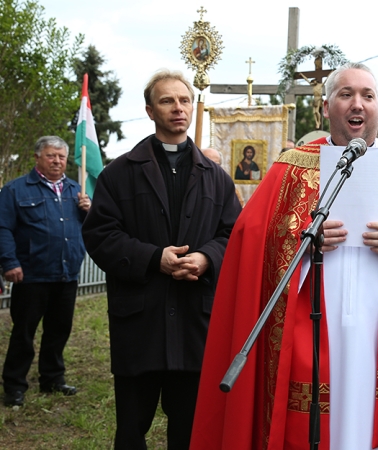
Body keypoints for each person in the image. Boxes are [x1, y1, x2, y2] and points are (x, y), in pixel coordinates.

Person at [191, 62, 378, 449]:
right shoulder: (291, 170)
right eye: (346, 94)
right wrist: (299, 241)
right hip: (311, 325)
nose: (357, 104)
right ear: (326, 107)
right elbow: (250, 240)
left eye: (368, 95)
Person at [82, 70, 241, 449]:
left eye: (184, 100)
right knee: (131, 430)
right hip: (141, 322)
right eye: (167, 101)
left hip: (193, 323)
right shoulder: (119, 173)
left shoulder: (216, 178)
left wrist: (205, 258)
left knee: (188, 430)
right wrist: (155, 258)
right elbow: (100, 233)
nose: (178, 108)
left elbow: (232, 234)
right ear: (150, 110)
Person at [0, 136, 91, 407]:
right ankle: (14, 386)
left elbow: (91, 228)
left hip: (67, 273)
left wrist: (89, 211)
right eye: (51, 156)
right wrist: (9, 262)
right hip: (31, 274)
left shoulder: (77, 191)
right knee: (24, 332)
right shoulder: (16, 190)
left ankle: (52, 378)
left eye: (61, 157)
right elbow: (2, 228)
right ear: (38, 157)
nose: (57, 161)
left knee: (59, 330)